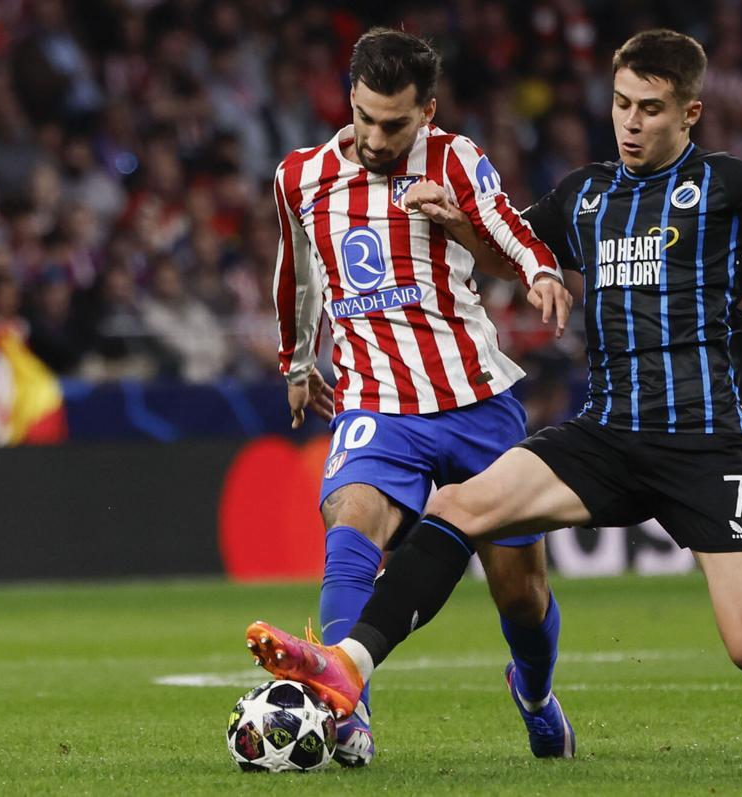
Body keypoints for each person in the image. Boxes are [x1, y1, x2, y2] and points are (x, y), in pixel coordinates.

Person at [247, 28, 742, 763]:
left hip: (707, 442)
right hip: (606, 434)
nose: (630, 123)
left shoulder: (732, 189)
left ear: (689, 114)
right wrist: (464, 232)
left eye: (651, 109)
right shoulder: (587, 195)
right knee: (456, 507)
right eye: (621, 104)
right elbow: (510, 255)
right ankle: (349, 664)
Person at [252, 28, 577, 765]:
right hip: (375, 402)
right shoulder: (299, 177)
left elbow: (508, 225)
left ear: (426, 110)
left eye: (394, 123)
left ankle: (533, 692)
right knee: (350, 520)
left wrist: (540, 271)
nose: (375, 135)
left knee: (520, 595)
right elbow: (294, 275)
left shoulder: (456, 160)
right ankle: (347, 710)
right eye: (364, 116)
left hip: (474, 400)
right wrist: (297, 362)